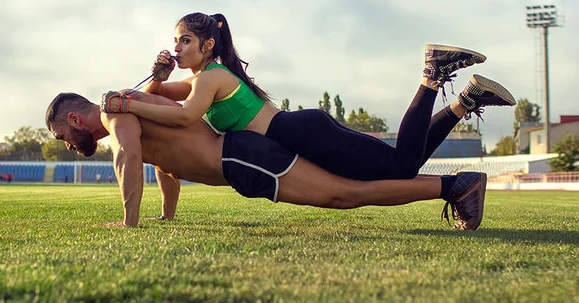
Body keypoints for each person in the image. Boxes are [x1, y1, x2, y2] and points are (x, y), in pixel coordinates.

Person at [101, 12, 516, 182]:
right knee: (399, 162)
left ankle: (432, 74)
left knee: (402, 166)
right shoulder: (202, 78)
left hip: (301, 132)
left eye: (185, 41)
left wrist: (125, 104)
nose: (177, 49)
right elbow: (161, 101)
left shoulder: (209, 78)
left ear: (208, 45)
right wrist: (156, 78)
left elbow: (183, 117)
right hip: (302, 130)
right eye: (175, 41)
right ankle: (466, 101)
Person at [46, 91, 487, 230]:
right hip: (245, 160)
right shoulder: (130, 112)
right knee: (356, 181)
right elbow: (164, 164)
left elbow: (130, 157)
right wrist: (167, 214)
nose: (67, 144)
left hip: (245, 159)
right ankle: (457, 129)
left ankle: (452, 186)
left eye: (63, 136)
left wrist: (128, 222)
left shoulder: (115, 112)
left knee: (342, 194)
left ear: (73, 118)